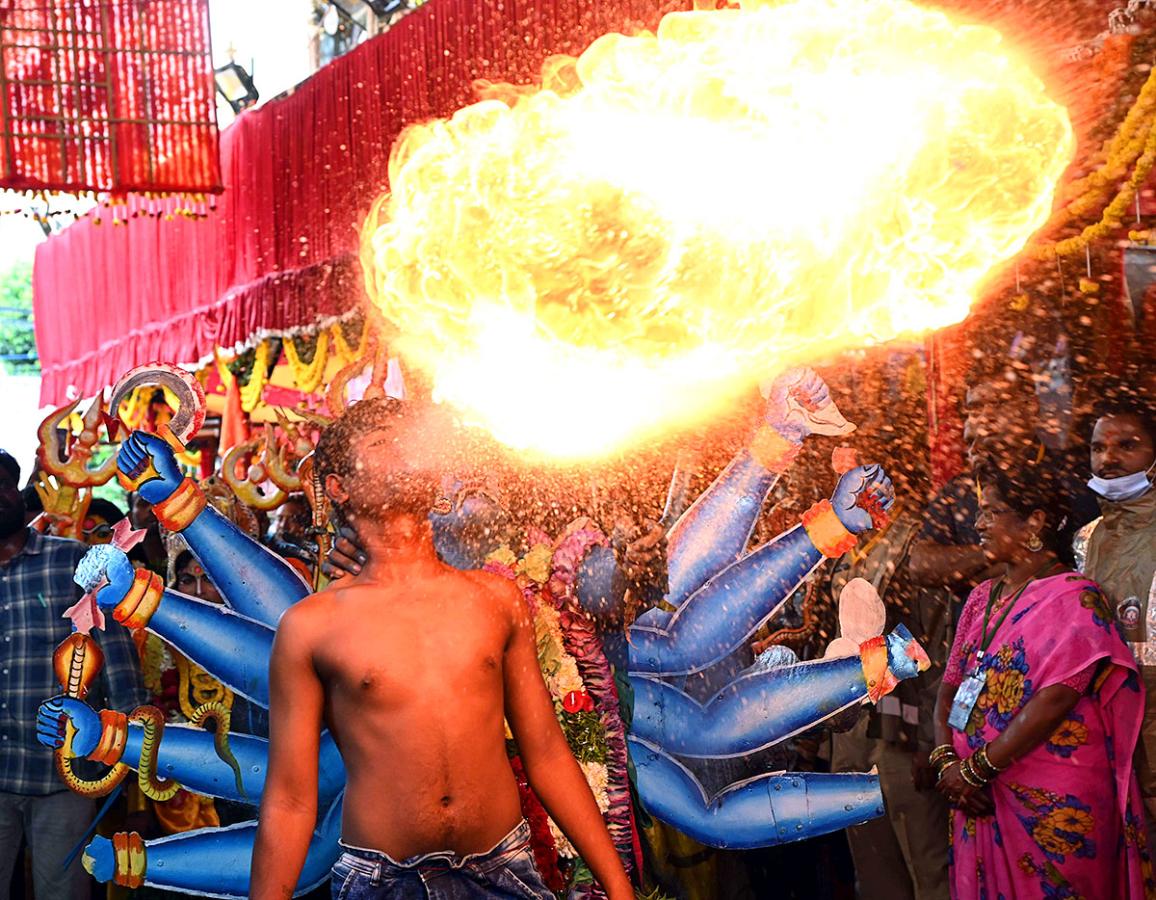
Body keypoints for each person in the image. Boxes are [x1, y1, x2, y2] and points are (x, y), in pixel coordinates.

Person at [248, 400, 633, 900]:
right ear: (339, 487)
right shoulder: (312, 626)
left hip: (504, 874)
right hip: (384, 883)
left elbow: (548, 755)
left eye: (414, 438)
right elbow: (291, 801)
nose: (407, 449)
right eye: (383, 442)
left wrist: (619, 889)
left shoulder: (494, 599)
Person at [933, 461, 1151, 898]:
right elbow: (950, 686)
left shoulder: (1076, 598)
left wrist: (977, 769)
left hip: (1050, 803)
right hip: (977, 796)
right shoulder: (981, 597)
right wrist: (945, 763)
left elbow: (1056, 698)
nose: (978, 524)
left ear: (1034, 521)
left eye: (991, 512)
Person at [0, 448, 148, 899]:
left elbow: (120, 661)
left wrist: (132, 753)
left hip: (62, 777)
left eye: (2, 483)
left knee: (62, 893)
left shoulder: (74, 562)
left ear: (17, 493)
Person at [1075, 399, 1156, 822]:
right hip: (1108, 730)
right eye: (1097, 448)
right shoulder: (1086, 539)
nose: (1108, 459)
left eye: (1127, 446)